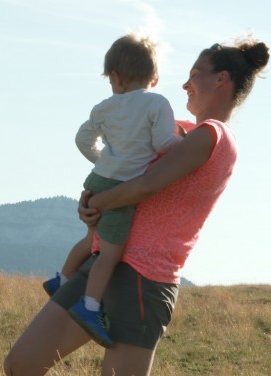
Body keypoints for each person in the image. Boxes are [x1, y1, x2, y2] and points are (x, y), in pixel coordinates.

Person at [4, 36, 270, 376]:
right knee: (21, 366)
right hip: (103, 262)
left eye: (194, 75)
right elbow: (118, 160)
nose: (184, 85)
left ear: (222, 80)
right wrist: (91, 202)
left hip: (144, 278)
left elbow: (147, 184)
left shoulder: (213, 137)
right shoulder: (172, 129)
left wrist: (99, 202)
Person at [42, 33, 182, 348]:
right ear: (155, 78)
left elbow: (82, 140)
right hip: (122, 187)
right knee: (110, 254)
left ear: (115, 78)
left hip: (97, 180)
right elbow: (162, 144)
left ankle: (62, 279)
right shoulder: (156, 103)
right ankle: (90, 307)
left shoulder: (105, 107)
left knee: (91, 238)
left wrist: (103, 160)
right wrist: (182, 140)